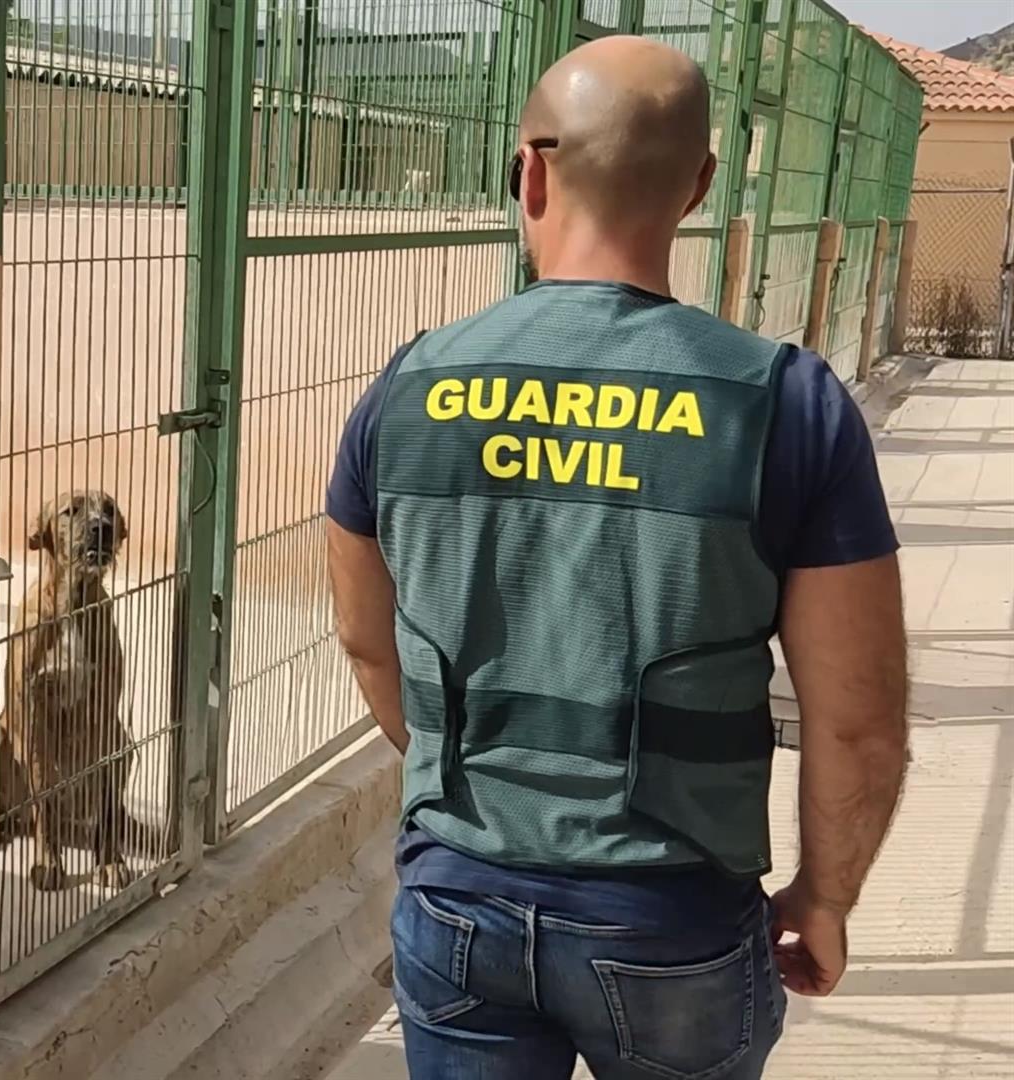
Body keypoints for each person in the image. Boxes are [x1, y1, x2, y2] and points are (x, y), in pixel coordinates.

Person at [324, 36, 909, 1079]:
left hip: (459, 894)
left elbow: (368, 645)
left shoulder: (408, 386)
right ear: (699, 186)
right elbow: (858, 721)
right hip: (671, 915)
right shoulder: (785, 404)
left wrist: (486, 796)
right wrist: (826, 897)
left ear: (531, 174)